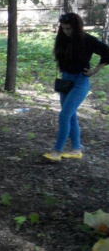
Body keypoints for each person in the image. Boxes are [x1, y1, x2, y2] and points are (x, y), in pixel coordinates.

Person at [43, 13, 109, 162]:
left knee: (64, 115)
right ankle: (76, 149)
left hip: (81, 81)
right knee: (71, 115)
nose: (66, 31)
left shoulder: (87, 40)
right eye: (64, 28)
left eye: (69, 29)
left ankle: (56, 151)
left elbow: (107, 52)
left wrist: (95, 70)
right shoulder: (62, 39)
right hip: (66, 80)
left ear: (77, 27)